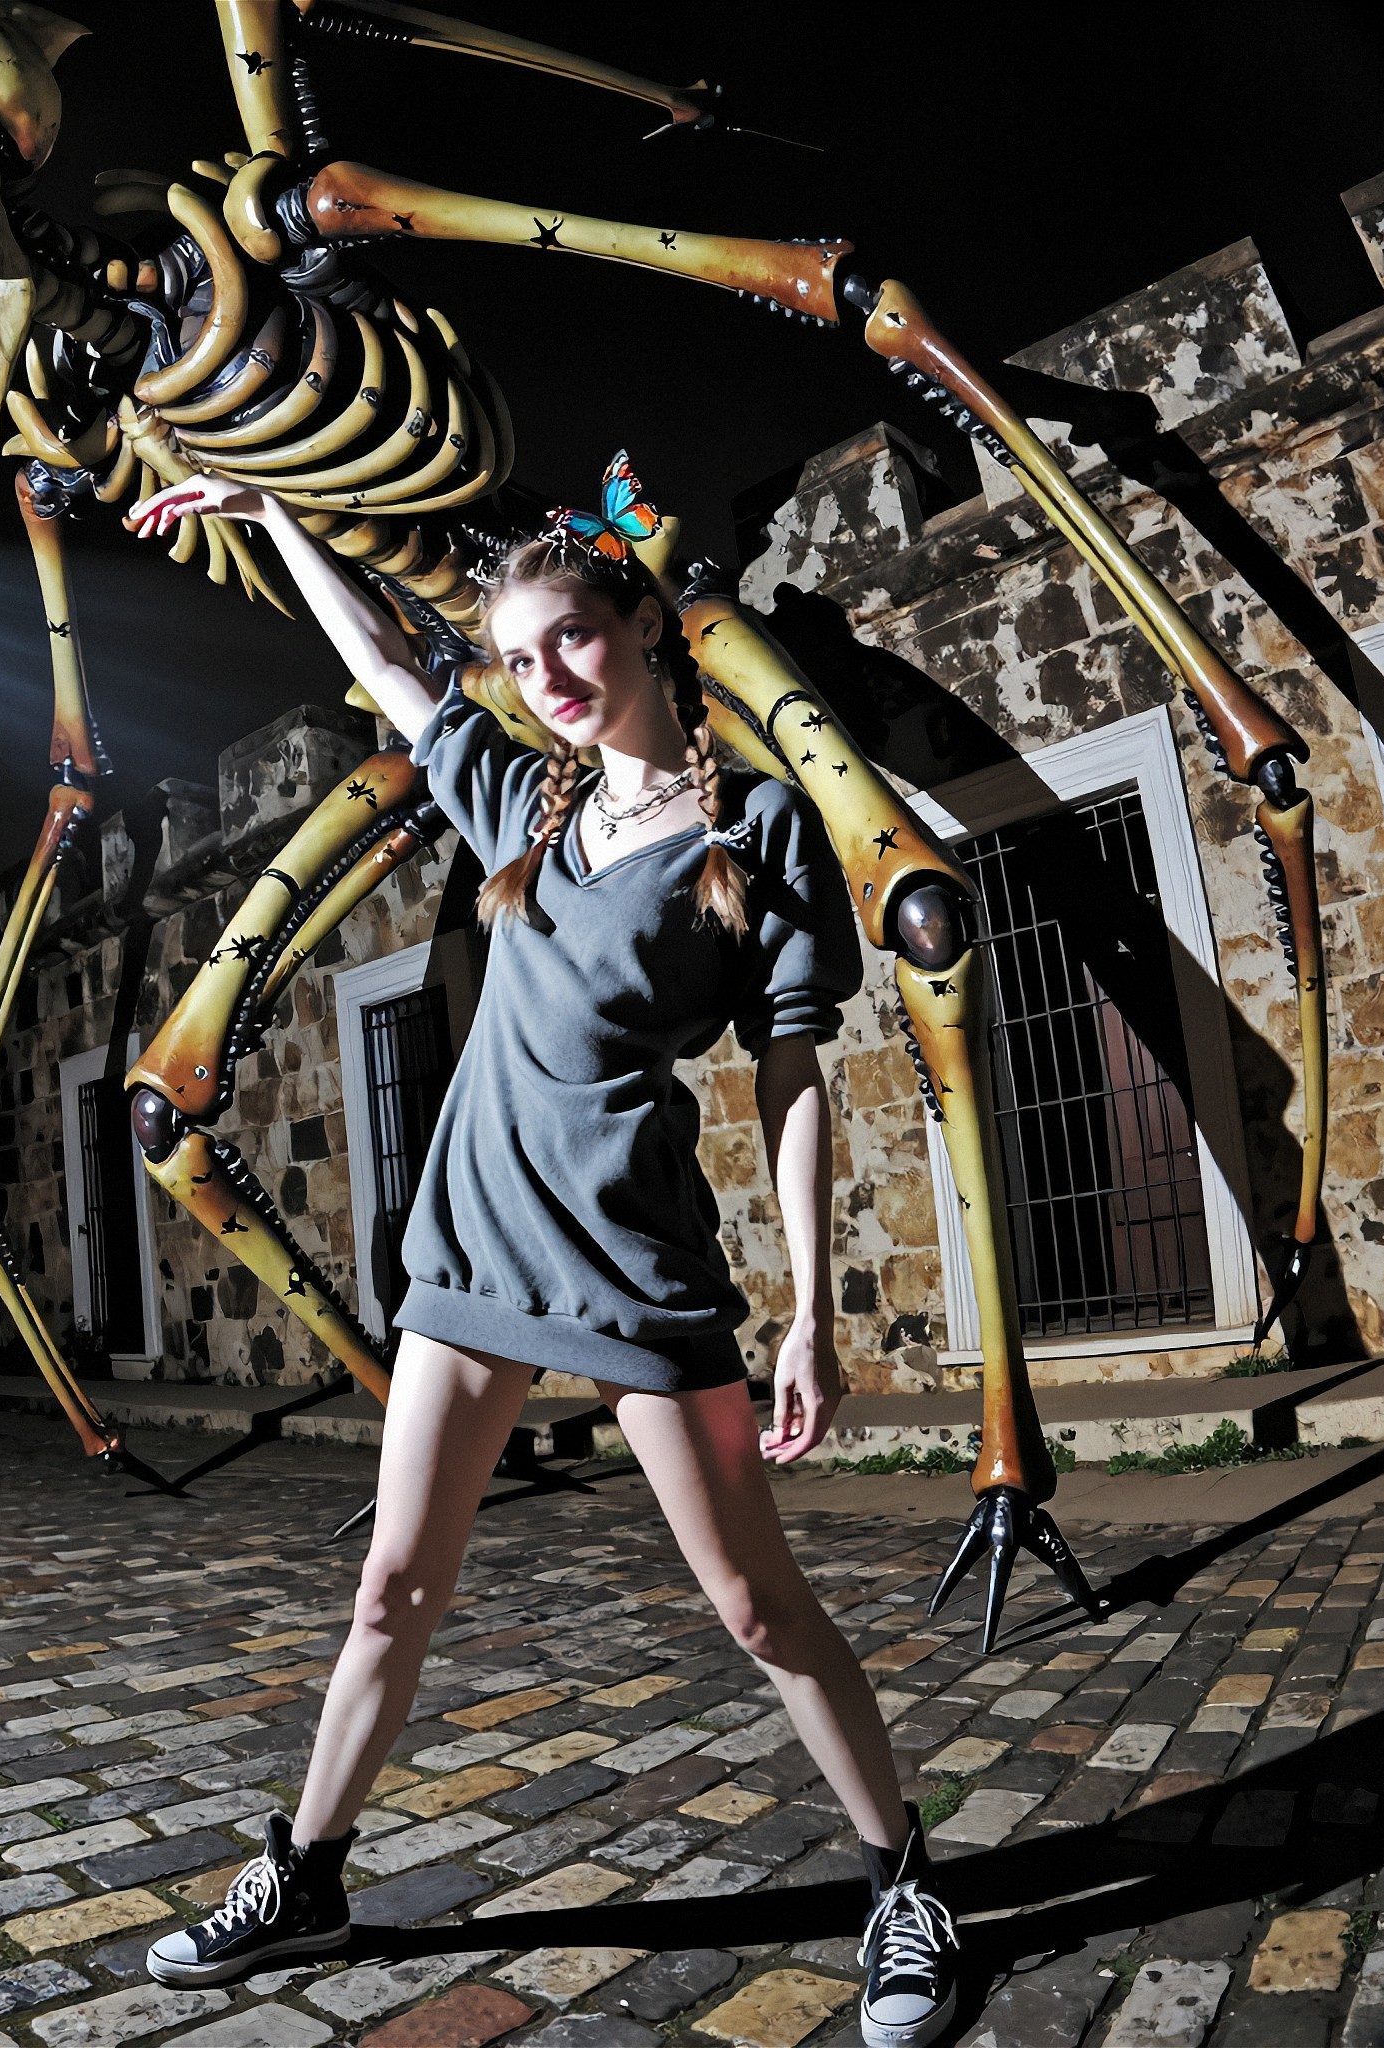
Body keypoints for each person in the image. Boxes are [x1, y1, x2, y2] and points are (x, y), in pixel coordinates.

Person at [125, 463, 961, 2048]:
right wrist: (269, 513)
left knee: (758, 1607)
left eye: (571, 637)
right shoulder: (528, 802)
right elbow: (387, 665)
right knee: (393, 1586)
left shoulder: (762, 824)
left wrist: (809, 1313)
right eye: (520, 658)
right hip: (471, 1252)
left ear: (639, 621)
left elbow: (793, 1076)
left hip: (630, 1262)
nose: (550, 677)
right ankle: (305, 1874)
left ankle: (902, 1881)